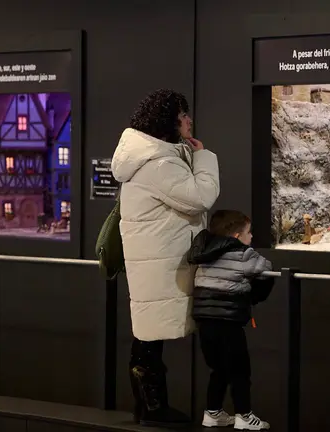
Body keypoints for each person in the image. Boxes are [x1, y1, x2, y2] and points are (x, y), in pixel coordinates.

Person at [111, 89, 220, 427]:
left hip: (155, 258)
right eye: (183, 115)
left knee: (148, 335)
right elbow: (200, 197)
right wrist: (204, 158)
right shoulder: (159, 162)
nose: (189, 121)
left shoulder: (150, 158)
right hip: (160, 262)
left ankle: (147, 406)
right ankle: (153, 408)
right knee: (149, 338)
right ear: (168, 121)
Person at [187, 210, 274, 430]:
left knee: (219, 369)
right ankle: (244, 416)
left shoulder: (204, 254)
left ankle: (213, 412)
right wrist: (254, 296)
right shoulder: (245, 254)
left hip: (205, 322)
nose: (251, 237)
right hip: (229, 322)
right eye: (248, 232)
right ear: (237, 236)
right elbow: (267, 270)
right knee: (240, 371)